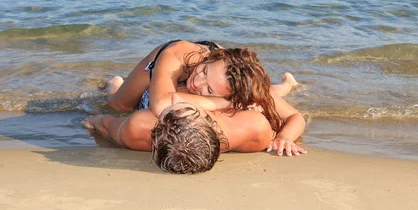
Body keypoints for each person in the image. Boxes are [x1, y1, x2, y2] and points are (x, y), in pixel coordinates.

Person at [84, 74, 307, 174]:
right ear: (208, 119)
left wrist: (92, 120)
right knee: (263, 94)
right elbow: (295, 118)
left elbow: (106, 124)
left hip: (153, 94)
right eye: (185, 107)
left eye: (168, 111)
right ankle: (286, 84)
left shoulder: (139, 127)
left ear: (157, 125)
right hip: (219, 97)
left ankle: (114, 82)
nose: (172, 98)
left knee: (118, 99)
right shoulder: (253, 128)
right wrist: (284, 137)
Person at [105, 39, 284, 133]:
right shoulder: (177, 53)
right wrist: (226, 103)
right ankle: (114, 82)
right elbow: (160, 106)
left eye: (210, 90)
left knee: (267, 94)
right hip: (158, 66)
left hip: (216, 75)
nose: (196, 83)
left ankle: (286, 85)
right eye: (204, 72)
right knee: (118, 105)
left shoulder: (229, 79)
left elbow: (291, 117)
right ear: (213, 59)